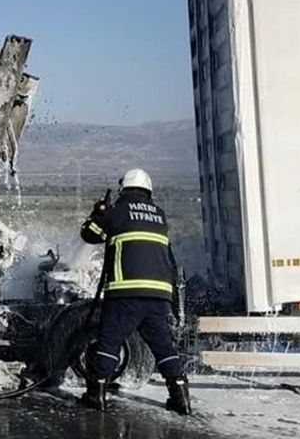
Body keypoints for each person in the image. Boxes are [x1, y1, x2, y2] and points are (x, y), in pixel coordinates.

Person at [78, 168, 191, 415]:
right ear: (148, 190)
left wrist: (98, 212)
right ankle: (181, 398)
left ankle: (96, 396)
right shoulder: (159, 215)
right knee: (163, 347)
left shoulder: (116, 211)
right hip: (159, 296)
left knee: (109, 343)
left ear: (123, 189)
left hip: (126, 293)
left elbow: (89, 235)